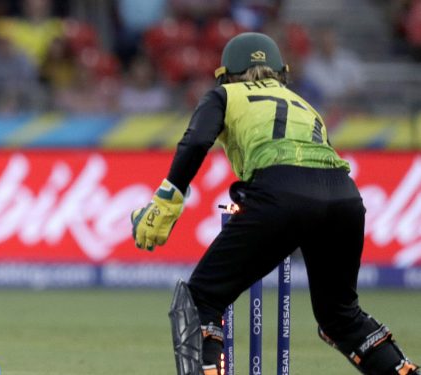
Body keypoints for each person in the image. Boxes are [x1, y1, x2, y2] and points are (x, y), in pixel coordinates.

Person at [130, 32, 421, 375]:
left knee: (200, 302)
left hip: (280, 194)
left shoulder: (224, 94)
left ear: (227, 72)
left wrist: (169, 197)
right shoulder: (304, 104)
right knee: (340, 317)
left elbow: (195, 143)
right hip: (344, 196)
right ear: (280, 72)